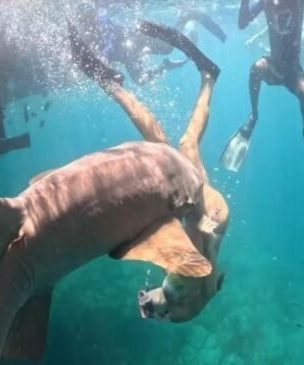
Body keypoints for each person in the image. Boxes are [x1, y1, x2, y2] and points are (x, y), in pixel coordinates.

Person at [69, 19, 229, 320]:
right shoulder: (186, 310)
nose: (150, 301)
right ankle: (113, 84)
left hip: (193, 211)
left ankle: (206, 78)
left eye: (147, 304)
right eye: (154, 305)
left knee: (179, 143)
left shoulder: (170, 280)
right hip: (209, 214)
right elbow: (212, 282)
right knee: (175, 144)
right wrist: (209, 237)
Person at [222, 0, 304, 196]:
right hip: (273, 65)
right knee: (255, 69)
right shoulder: (264, 2)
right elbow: (242, 23)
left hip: (293, 70)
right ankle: (254, 115)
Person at [74, 4, 227, 85]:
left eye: (86, 19)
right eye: (83, 21)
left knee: (167, 48)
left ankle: (185, 16)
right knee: (141, 80)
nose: (85, 23)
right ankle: (165, 66)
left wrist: (104, 60)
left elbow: (107, 46)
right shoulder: (89, 33)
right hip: (127, 56)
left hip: (136, 40)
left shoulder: (101, 22)